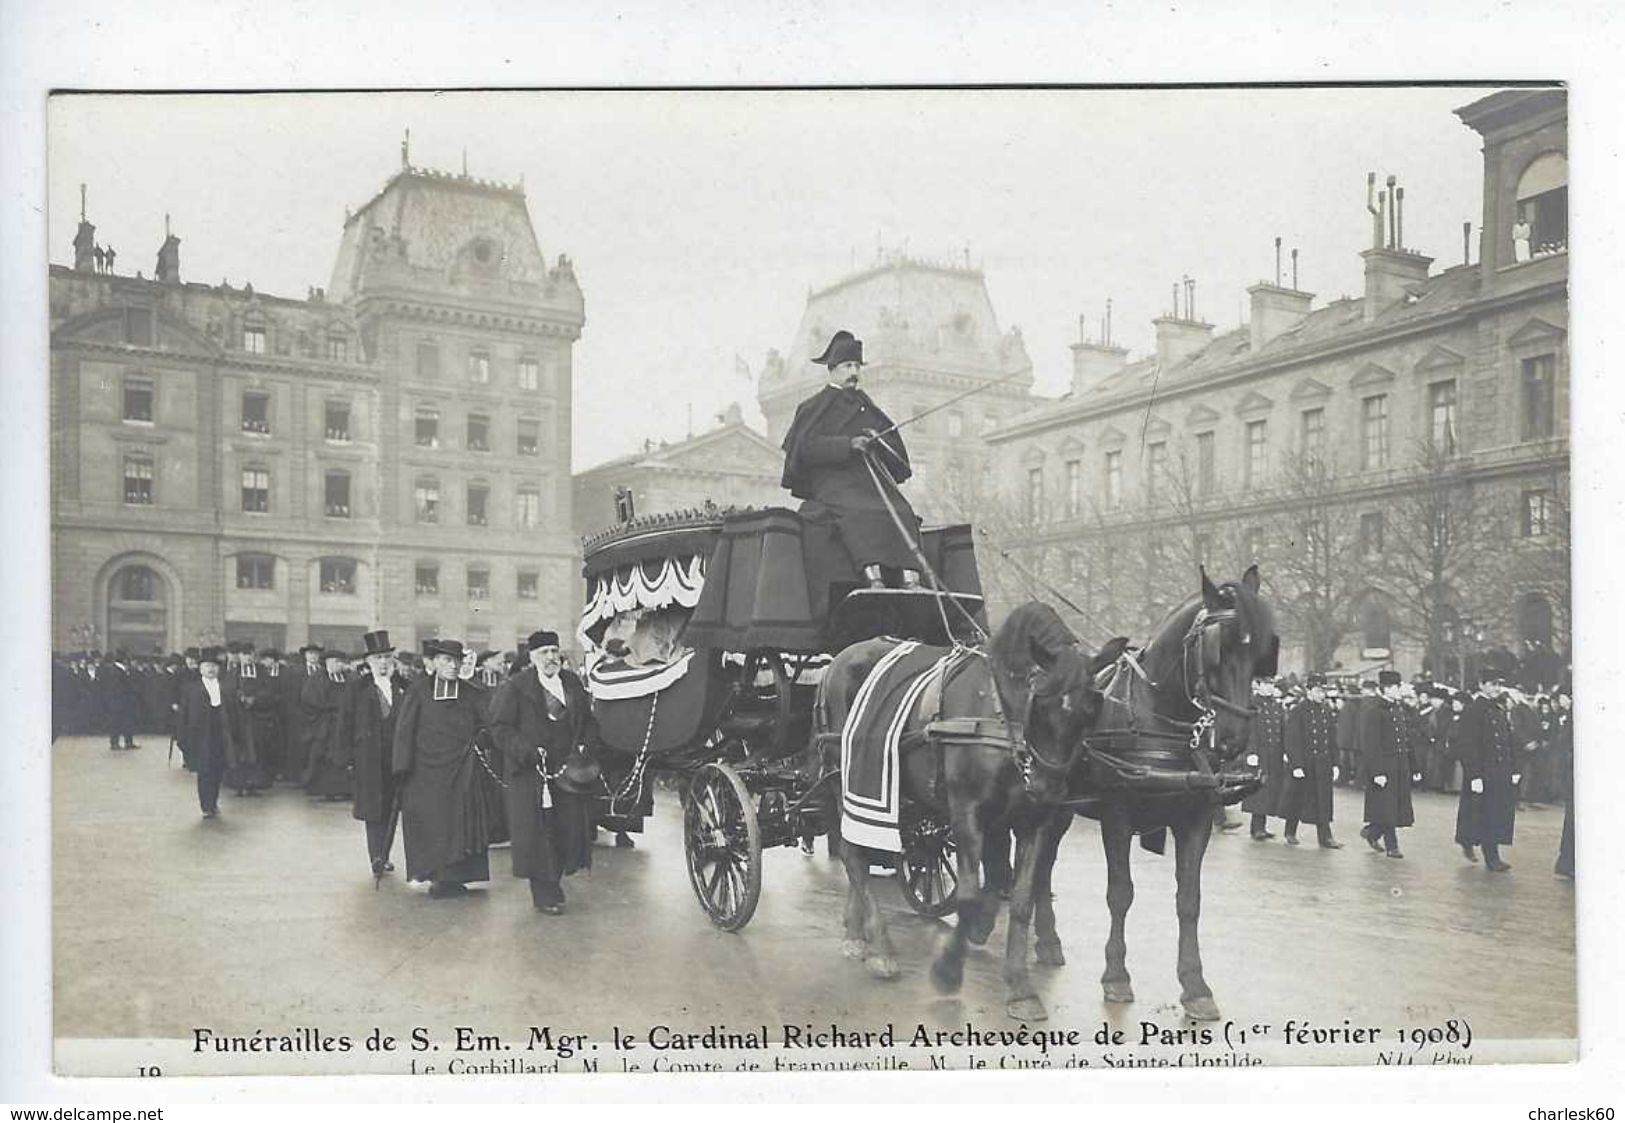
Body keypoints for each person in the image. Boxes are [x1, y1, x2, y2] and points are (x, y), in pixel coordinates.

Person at [779, 330, 922, 593]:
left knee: (901, 509)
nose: (854, 371)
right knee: (861, 511)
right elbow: (804, 447)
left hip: (870, 480)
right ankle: (874, 578)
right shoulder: (813, 407)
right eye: (847, 366)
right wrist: (847, 445)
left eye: (857, 366)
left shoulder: (868, 405)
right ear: (832, 370)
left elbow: (894, 443)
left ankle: (911, 579)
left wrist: (877, 441)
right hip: (832, 482)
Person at [489, 630, 599, 915]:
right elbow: (500, 728)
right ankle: (545, 892)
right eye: (543, 653)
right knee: (539, 834)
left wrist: (586, 744)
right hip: (532, 774)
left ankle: (554, 881)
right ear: (532, 657)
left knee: (568, 830)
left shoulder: (572, 683)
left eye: (554, 651)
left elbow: (588, 721)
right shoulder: (515, 686)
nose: (551, 658)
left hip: (569, 772)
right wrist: (525, 750)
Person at [391, 638, 493, 898]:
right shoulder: (418, 691)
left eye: (457, 661)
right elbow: (404, 731)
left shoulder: (471, 692)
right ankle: (437, 876)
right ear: (435, 662)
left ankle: (456, 878)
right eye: (447, 660)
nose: (453, 666)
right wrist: (401, 768)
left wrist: (479, 741)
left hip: (463, 770)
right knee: (433, 825)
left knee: (461, 824)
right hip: (426, 774)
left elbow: (487, 726)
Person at [349, 630, 406, 877]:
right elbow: (345, 723)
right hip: (369, 759)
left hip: (396, 759)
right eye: (378, 659)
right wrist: (348, 758)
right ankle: (377, 857)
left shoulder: (402, 688)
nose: (383, 663)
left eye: (386, 658)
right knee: (374, 810)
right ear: (369, 662)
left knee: (392, 807)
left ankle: (385, 853)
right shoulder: (358, 689)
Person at [1454, 676, 1520, 873]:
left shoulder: (1498, 709)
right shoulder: (1473, 710)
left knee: (1493, 812)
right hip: (1482, 771)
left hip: (1499, 771)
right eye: (1491, 684)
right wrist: (1474, 775)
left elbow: (1508, 741)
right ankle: (1491, 857)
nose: (1496, 688)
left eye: (1498, 684)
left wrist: (1514, 768)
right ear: (1481, 684)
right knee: (1482, 812)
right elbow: (1467, 744)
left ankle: (1469, 840)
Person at [1279, 672, 1342, 848]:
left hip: (1322, 762)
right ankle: (1290, 831)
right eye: (1318, 690)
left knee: (1323, 800)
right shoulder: (1298, 711)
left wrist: (1335, 763)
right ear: (1309, 691)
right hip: (1304, 763)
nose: (1321, 694)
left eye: (1323, 691)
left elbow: (1332, 739)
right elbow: (1292, 740)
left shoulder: (1326, 711)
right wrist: (1296, 764)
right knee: (1297, 799)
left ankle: (1325, 837)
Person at [176, 647, 239, 818]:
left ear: (219, 669)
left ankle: (214, 801)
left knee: (218, 769)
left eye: (214, 666)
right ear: (200, 668)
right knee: (204, 771)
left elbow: (233, 713)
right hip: (201, 735)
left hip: (221, 732)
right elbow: (184, 716)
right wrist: (182, 738)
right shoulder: (191, 689)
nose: (211, 669)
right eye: (207, 666)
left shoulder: (225, 688)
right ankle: (206, 806)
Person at [1358, 670, 1415, 858]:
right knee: (1387, 806)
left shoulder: (1396, 708)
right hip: (1384, 766)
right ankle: (1392, 846)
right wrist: (1377, 771)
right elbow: (1371, 744)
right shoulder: (1375, 711)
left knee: (1393, 806)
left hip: (1398, 765)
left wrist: (1412, 766)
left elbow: (1405, 740)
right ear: (1387, 688)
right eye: (1397, 687)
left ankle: (1372, 832)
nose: (1400, 691)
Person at [226, 647, 279, 796]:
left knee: (258, 751)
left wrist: (255, 700)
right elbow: (228, 691)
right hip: (239, 719)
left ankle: (254, 784)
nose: (247, 658)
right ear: (240, 656)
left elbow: (269, 692)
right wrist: (239, 697)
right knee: (240, 752)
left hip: (258, 718)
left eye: (250, 655)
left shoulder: (262, 672)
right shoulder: (233, 673)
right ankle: (239, 784)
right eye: (244, 654)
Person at [303, 650, 354, 800]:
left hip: (343, 723)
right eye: (335, 662)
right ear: (327, 663)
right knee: (324, 756)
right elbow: (309, 699)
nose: (338, 665)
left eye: (340, 662)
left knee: (343, 755)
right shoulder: (317, 679)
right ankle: (326, 789)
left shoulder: (348, 678)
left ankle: (344, 789)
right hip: (325, 724)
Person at [1242, 678, 1288, 840]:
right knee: (1259, 789)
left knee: (1270, 789)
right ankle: (1256, 828)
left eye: (1272, 685)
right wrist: (1251, 752)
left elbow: (1283, 729)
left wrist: (1285, 751)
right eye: (1267, 684)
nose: (1270, 688)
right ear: (1259, 686)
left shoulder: (1276, 705)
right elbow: (1248, 730)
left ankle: (1262, 826)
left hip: (1274, 753)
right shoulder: (1252, 704)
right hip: (1259, 752)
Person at [98, 650, 140, 751]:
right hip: (118, 701)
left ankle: (128, 741)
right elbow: (117, 687)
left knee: (127, 722)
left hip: (122, 701)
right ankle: (115, 743)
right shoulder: (116, 671)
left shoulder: (120, 669)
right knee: (116, 722)